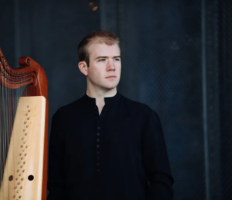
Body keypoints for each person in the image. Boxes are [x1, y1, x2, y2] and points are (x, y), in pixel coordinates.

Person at [47, 30, 174, 200]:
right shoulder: (63, 118)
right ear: (84, 67)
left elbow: (161, 180)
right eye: (102, 60)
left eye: (116, 59)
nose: (112, 67)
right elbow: (56, 184)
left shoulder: (144, 116)